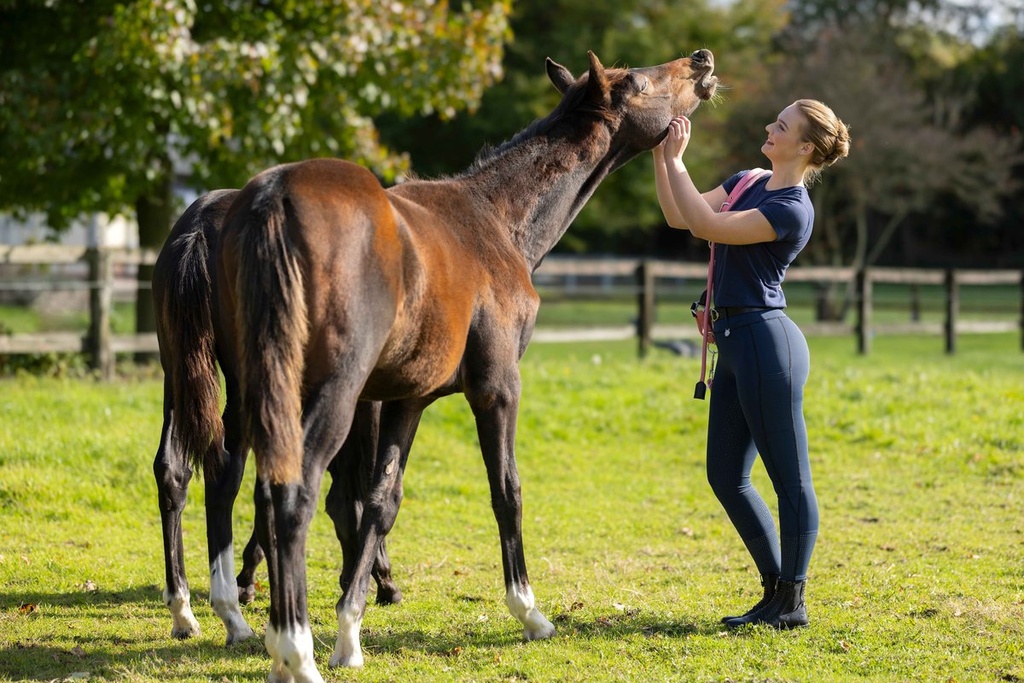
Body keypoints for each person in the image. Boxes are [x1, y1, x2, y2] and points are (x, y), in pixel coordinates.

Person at [652, 99, 851, 629]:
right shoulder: (748, 181)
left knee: (790, 479)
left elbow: (704, 225)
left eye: (781, 126)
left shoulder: (792, 208)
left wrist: (677, 159)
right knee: (725, 475)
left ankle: (793, 599)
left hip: (768, 345)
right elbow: (677, 214)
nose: (769, 126)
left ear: (805, 147)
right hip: (734, 342)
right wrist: (658, 152)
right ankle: (775, 591)